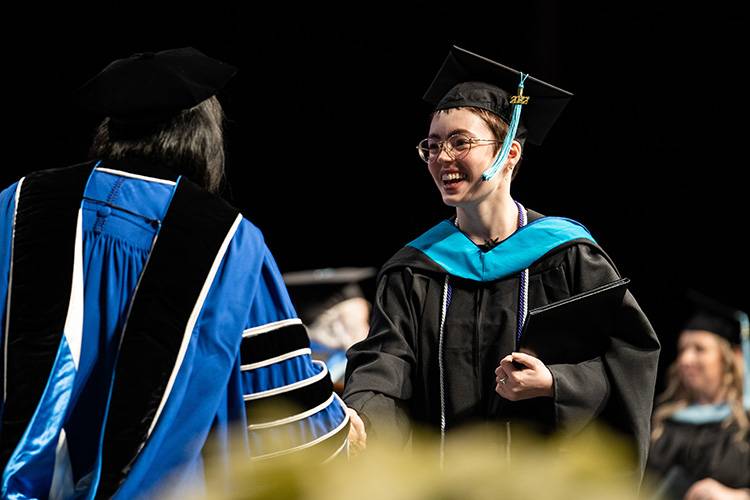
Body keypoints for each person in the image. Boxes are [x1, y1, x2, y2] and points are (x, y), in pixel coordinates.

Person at [0, 48, 348, 499]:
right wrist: (340, 427)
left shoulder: (20, 204)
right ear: (202, 136)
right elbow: (275, 391)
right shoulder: (229, 240)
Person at [342, 46, 661, 483]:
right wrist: (363, 417)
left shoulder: (567, 255)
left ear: (510, 153)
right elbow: (385, 364)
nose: (442, 158)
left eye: (460, 142)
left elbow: (628, 360)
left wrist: (557, 383)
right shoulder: (414, 270)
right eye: (432, 145)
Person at [647, 292, 750, 499]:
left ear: (731, 359)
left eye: (699, 349)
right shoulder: (662, 423)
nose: (685, 359)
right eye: (682, 349)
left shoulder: (745, 427)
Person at [283, 267, 375, 390]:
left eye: (364, 322)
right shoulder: (295, 369)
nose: (363, 333)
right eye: (337, 326)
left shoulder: (367, 371)